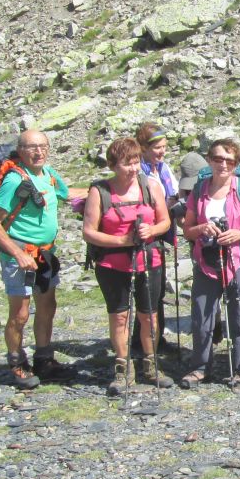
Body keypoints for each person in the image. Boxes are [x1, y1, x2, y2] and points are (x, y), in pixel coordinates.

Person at [0, 129, 87, 389]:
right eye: (31, 147)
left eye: (43, 146)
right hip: (19, 254)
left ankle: (44, 359)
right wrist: (17, 254)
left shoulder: (48, 174)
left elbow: (67, 193)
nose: (38, 152)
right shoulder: (15, 180)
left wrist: (106, 189)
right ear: (20, 150)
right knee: (20, 314)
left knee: (47, 306)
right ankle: (17, 362)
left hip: (44, 253)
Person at [82, 137, 172, 395]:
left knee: (149, 314)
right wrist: (122, 240)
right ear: (112, 165)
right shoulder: (99, 191)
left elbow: (165, 221)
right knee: (119, 314)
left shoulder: (150, 186)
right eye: (126, 164)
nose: (133, 169)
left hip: (148, 259)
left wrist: (151, 230)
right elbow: (89, 232)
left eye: (135, 162)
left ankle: (151, 364)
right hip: (112, 264)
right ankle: (123, 367)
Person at [179, 139, 240, 387]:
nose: (223, 164)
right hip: (207, 262)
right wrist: (201, 229)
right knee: (202, 316)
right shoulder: (199, 190)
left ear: (236, 163)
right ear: (209, 160)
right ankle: (200, 367)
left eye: (230, 160)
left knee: (239, 316)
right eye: (218, 159)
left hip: (239, 261)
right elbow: (187, 229)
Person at [132, 123, 179, 355]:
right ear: (143, 148)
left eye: (164, 147)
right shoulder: (137, 171)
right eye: (157, 147)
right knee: (148, 289)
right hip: (144, 236)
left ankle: (154, 338)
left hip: (160, 232)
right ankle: (144, 342)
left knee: (157, 290)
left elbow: (173, 193)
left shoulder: (162, 169)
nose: (162, 152)